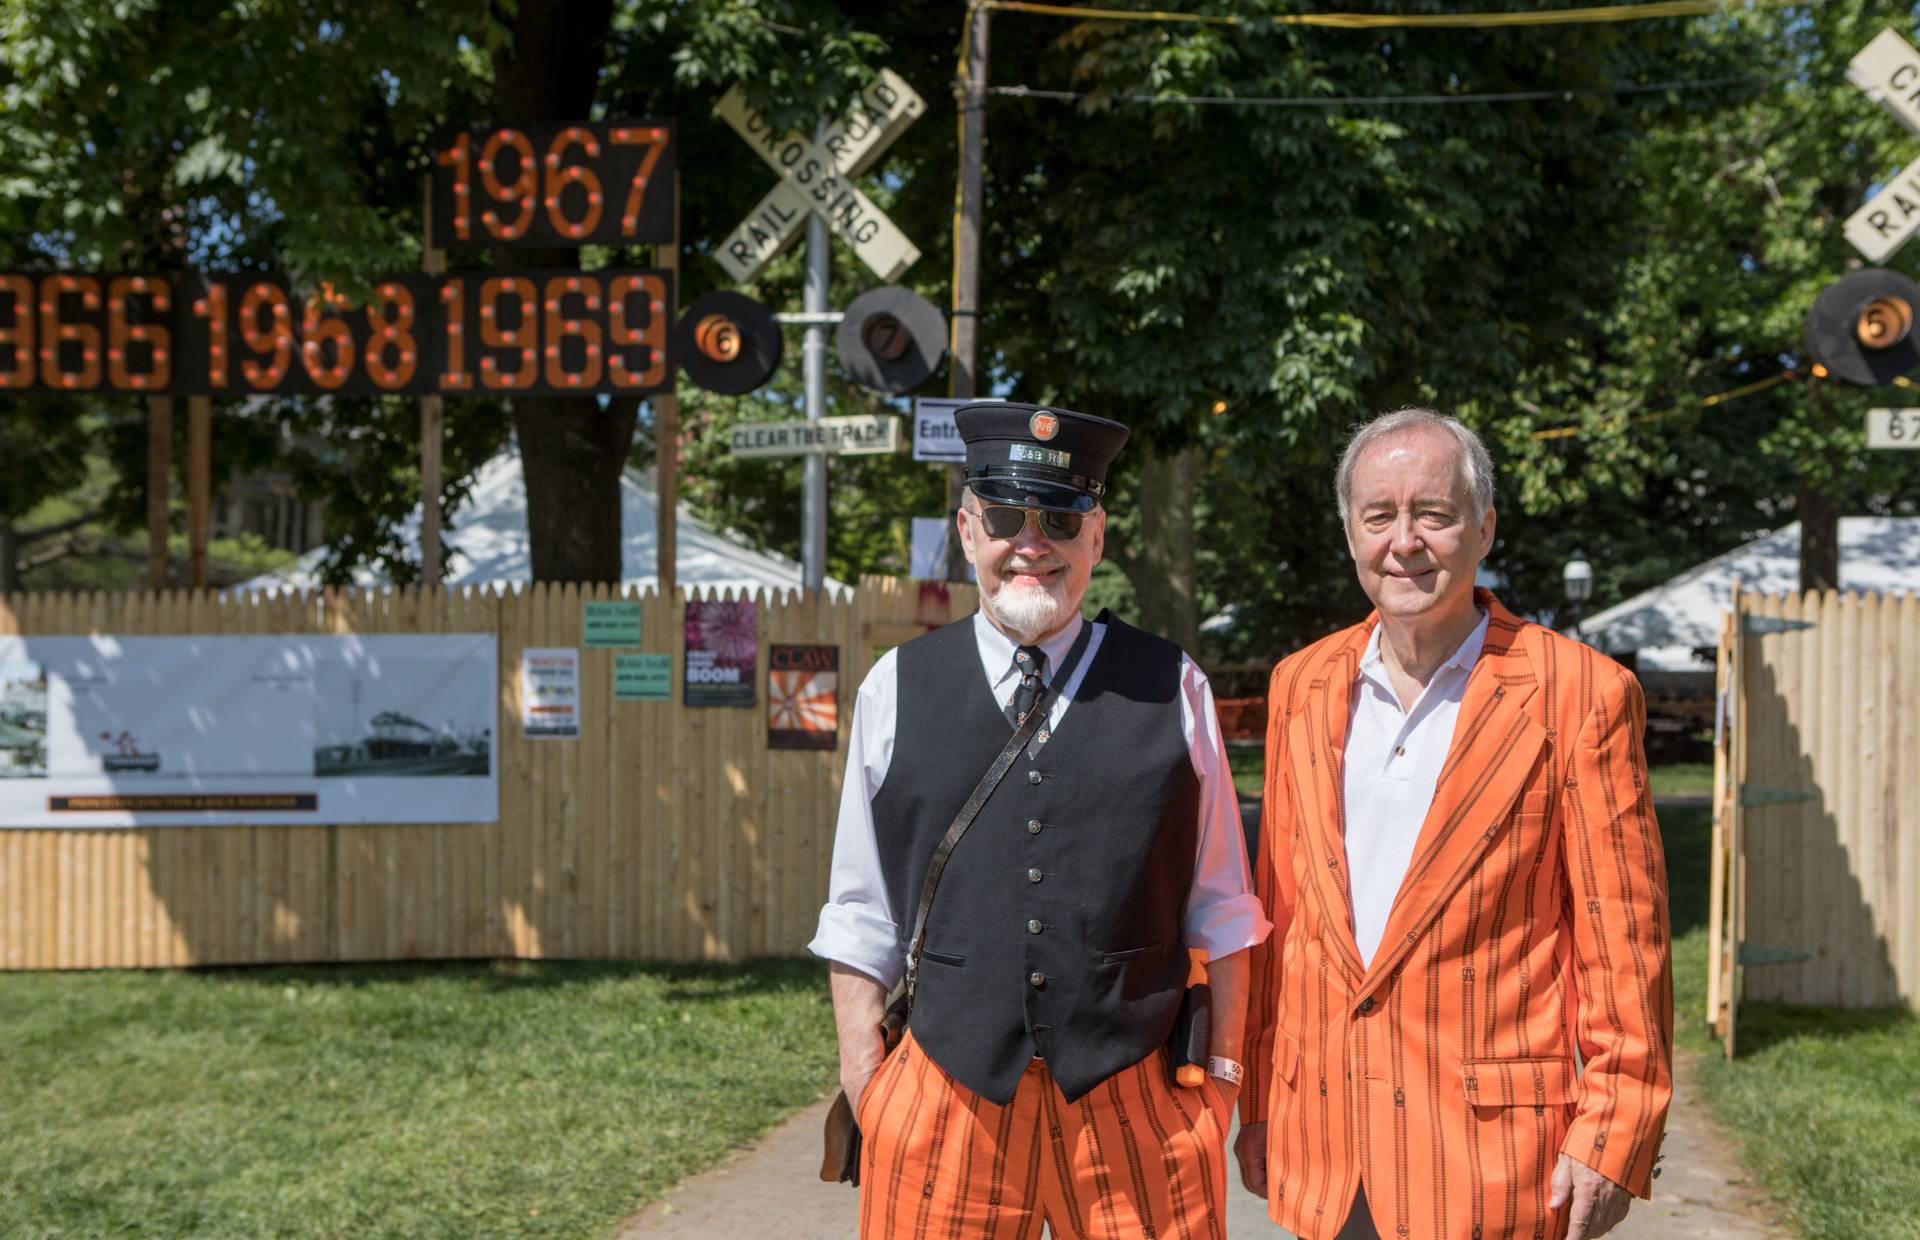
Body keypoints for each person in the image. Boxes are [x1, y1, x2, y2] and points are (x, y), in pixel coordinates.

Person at [809, 401, 1271, 1238]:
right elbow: (858, 910)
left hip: (1136, 1099)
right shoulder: (895, 686)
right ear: (966, 528)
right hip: (944, 1098)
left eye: (1060, 518)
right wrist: (868, 1084)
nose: (1032, 543)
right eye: (1006, 518)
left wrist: (1226, 1078)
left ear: (1095, 537)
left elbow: (1224, 906)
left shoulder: (1173, 685)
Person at [1235, 408, 1672, 1240]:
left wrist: (1616, 1130)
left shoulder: (1580, 694)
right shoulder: (1301, 685)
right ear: (1351, 535)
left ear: (1484, 529)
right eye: (1380, 516)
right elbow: (1281, 918)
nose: (1406, 541)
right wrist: (1260, 1095)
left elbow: (1626, 939)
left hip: (1494, 1161)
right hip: (1328, 1144)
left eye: (1433, 514)